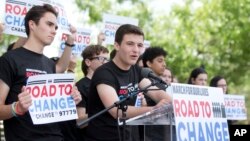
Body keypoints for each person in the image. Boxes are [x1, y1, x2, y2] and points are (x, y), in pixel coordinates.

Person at [0, 4, 81, 141]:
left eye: (55, 27)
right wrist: (17, 108)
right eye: (49, 24)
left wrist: (70, 98)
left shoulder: (49, 63)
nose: (54, 31)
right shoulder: (9, 59)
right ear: (32, 24)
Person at [85, 24, 171, 141]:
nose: (136, 50)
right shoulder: (104, 73)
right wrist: (153, 110)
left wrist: (173, 104)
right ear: (117, 45)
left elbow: (157, 94)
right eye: (130, 44)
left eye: (140, 45)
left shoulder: (136, 70)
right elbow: (117, 110)